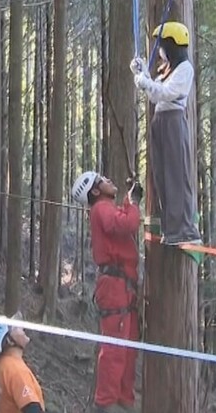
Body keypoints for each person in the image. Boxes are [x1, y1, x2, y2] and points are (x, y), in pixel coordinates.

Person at [71, 171, 141, 413]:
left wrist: (129, 201)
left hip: (123, 286)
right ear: (96, 191)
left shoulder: (107, 207)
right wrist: (134, 204)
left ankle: (123, 401)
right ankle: (108, 404)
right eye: (104, 181)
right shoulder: (101, 208)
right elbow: (125, 224)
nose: (111, 181)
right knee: (115, 349)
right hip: (115, 287)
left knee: (128, 347)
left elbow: (122, 220)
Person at [130, 21, 201, 245]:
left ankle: (184, 228)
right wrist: (143, 75)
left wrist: (146, 83)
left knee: (176, 174)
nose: (159, 50)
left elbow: (168, 93)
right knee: (162, 175)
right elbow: (154, 94)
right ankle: (171, 228)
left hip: (173, 120)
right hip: (160, 120)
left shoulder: (184, 69)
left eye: (162, 45)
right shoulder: (168, 69)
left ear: (172, 45)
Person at [0, 320, 45, 413]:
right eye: (15, 328)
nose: (22, 328)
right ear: (9, 341)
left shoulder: (1, 365)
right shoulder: (16, 370)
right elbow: (32, 408)